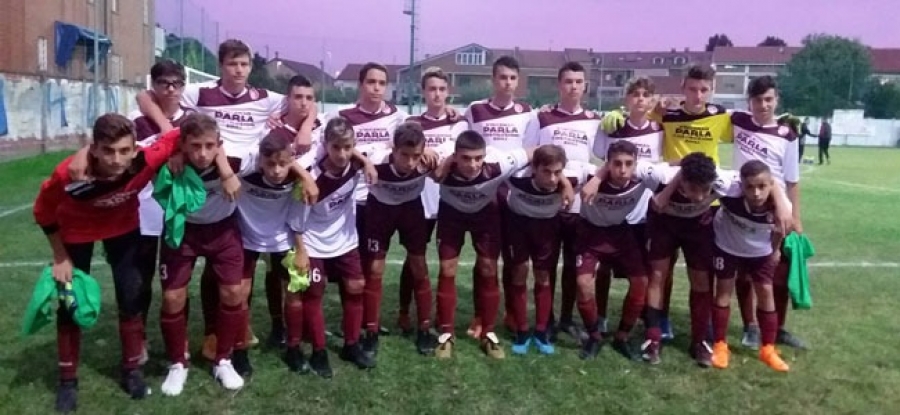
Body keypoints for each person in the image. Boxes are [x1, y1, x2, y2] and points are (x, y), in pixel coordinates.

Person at [33, 113, 184, 411]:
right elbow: (42, 211)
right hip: (75, 232)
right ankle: (67, 380)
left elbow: (185, 131)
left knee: (131, 297)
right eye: (108, 151)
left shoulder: (146, 158)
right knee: (70, 304)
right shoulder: (69, 173)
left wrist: (178, 153)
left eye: (124, 151)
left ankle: (131, 370)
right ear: (94, 149)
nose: (116, 160)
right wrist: (60, 257)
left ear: (135, 148)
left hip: (123, 229)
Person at [646, 153, 792, 367]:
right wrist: (667, 190)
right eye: (693, 189)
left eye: (705, 190)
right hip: (666, 226)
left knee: (702, 282)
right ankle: (653, 339)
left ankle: (700, 341)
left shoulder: (726, 183)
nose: (700, 197)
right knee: (658, 276)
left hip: (698, 227)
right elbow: (626, 168)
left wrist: (779, 199)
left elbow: (764, 181)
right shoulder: (658, 175)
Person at [432, 132, 552, 359]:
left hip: (485, 215)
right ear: (455, 156)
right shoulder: (441, 160)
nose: (473, 164)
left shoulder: (499, 163)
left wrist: (564, 182)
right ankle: (446, 333)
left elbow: (538, 151)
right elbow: (417, 153)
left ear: (485, 156)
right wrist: (440, 164)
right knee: (447, 269)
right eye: (466, 158)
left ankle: (488, 332)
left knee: (488, 268)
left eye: (478, 158)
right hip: (451, 215)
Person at [293, 117, 381, 374]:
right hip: (312, 241)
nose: (342, 154)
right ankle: (319, 351)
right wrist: (301, 250)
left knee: (356, 287)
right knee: (314, 293)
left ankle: (351, 345)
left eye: (347, 147)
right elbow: (295, 218)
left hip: (345, 240)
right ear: (325, 145)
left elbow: (375, 150)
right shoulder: (310, 174)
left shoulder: (357, 162)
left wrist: (367, 162)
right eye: (336, 148)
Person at [463, 55, 539, 338]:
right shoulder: (475, 110)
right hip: (484, 195)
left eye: (512, 78)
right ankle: (480, 315)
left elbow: (531, 153)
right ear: (493, 79)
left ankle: (510, 312)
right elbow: (463, 144)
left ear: (518, 82)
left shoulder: (528, 113)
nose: (507, 83)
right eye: (502, 77)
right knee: (485, 259)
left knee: (514, 258)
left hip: (516, 195)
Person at [360, 122, 447, 360]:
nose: (410, 162)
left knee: (419, 266)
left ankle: (424, 328)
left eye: (416, 156)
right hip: (379, 211)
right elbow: (349, 150)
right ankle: (371, 331)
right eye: (404, 155)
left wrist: (438, 159)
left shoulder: (427, 160)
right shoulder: (376, 158)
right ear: (393, 149)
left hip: (411, 209)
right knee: (375, 269)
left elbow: (450, 156)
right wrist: (365, 161)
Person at [731, 76, 806, 349]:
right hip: (744, 209)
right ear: (748, 101)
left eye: (768, 99)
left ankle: (778, 327)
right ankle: (750, 326)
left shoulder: (788, 135)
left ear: (777, 100)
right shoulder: (737, 121)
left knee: (779, 275)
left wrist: (795, 218)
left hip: (777, 212)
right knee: (744, 274)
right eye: (757, 100)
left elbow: (792, 180)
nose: (763, 105)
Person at [528, 61, 600, 340]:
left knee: (573, 264)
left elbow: (602, 160)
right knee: (545, 264)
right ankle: (546, 320)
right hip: (547, 205)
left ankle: (567, 319)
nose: (573, 87)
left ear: (585, 86)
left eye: (578, 82)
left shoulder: (595, 120)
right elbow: (532, 156)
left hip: (579, 207)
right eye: (568, 81)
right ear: (559, 85)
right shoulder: (542, 117)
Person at [576, 141, 667, 361]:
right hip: (590, 232)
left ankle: (622, 337)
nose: (623, 170)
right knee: (583, 283)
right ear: (607, 164)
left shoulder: (645, 176)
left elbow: (677, 171)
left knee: (641, 282)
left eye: (628, 164)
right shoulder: (586, 174)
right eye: (617, 164)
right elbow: (557, 169)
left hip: (620, 232)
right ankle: (594, 336)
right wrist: (594, 179)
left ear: (636, 164)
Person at [128, 59, 192, 363]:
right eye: (164, 83)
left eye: (176, 83)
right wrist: (167, 145)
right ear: (153, 86)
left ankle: (178, 341)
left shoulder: (191, 120)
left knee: (176, 283)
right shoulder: (135, 121)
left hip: (177, 213)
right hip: (142, 212)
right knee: (141, 279)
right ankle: (139, 338)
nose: (170, 89)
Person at [589, 76, 663, 337]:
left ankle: (642, 317)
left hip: (642, 211)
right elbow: (602, 161)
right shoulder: (613, 126)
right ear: (626, 98)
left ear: (652, 100)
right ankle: (601, 315)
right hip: (612, 209)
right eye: (635, 94)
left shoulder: (660, 129)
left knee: (643, 270)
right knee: (605, 267)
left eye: (646, 95)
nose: (640, 99)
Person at [396, 67, 467, 334]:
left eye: (441, 89)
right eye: (431, 89)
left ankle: (440, 315)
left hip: (450, 202)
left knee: (448, 262)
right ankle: (405, 311)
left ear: (448, 92)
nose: (437, 94)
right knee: (414, 258)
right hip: (421, 200)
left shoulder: (460, 123)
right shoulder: (412, 123)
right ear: (423, 92)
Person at [504, 144, 586, 355]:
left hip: (547, 228)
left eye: (557, 172)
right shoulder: (516, 177)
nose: (552, 178)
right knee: (519, 273)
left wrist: (567, 183)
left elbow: (602, 172)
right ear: (534, 168)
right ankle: (522, 331)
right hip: (518, 226)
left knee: (543, 277)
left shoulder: (574, 178)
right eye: (546, 172)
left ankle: (541, 332)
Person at [710, 160, 791, 372]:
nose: (756, 193)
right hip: (727, 245)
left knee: (765, 292)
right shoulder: (728, 188)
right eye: (750, 187)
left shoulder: (781, 208)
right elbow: (702, 167)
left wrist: (774, 251)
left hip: (759, 251)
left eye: (762, 186)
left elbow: (781, 231)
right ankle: (720, 345)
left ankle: (768, 349)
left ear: (771, 184)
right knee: (723, 292)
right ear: (741, 185)